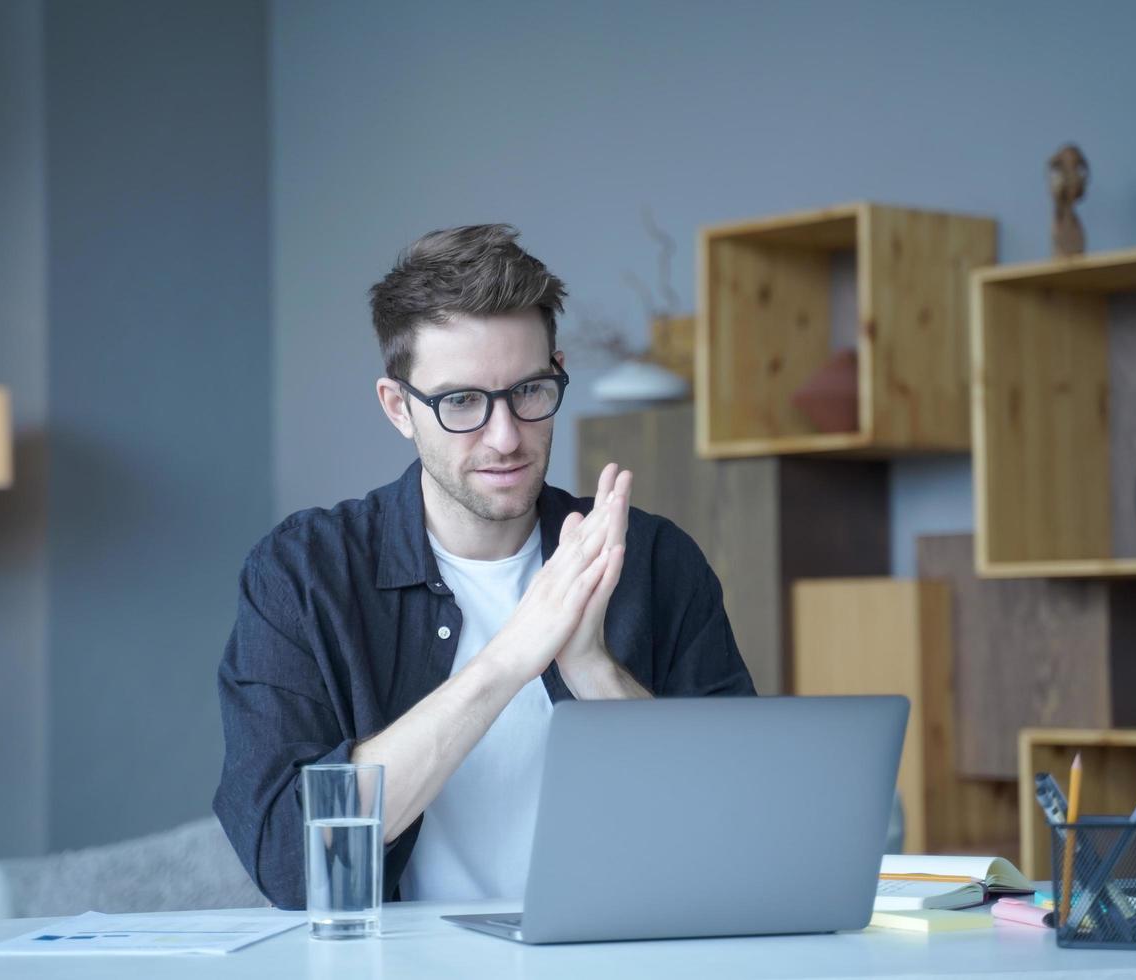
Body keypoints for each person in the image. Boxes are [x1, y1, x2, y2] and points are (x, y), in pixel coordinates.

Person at [213, 224, 754, 910]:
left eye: (529, 391)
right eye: (462, 401)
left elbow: (734, 828)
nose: (505, 437)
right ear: (398, 408)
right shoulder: (303, 574)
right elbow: (289, 862)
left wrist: (594, 672)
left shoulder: (653, 560)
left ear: (557, 370)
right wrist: (504, 664)